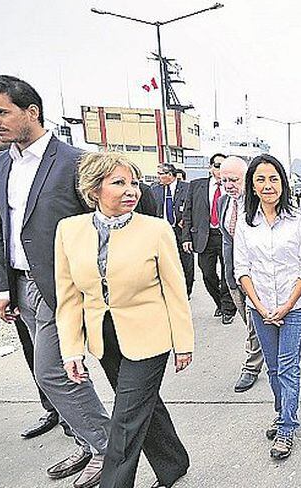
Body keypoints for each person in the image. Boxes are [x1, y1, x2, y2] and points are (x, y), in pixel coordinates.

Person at [0, 75, 109, 487]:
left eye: (0, 112)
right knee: (56, 374)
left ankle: (107, 447)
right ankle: (89, 441)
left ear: (31, 112)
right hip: (20, 286)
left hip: (63, 287)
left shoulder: (76, 162)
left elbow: (106, 225)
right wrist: (3, 286)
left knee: (53, 372)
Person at [55, 152, 193, 488]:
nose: (131, 190)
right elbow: (69, 297)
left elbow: (175, 290)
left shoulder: (156, 230)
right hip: (105, 338)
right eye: (119, 182)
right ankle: (174, 463)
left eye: (134, 183)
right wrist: (71, 350)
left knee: (126, 418)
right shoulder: (69, 231)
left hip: (150, 336)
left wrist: (183, 343)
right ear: (94, 189)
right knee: (144, 405)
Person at [0, 101, 60, 439]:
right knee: (33, 348)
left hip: (51, 276)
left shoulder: (46, 162)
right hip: (13, 278)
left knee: (56, 360)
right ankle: (53, 409)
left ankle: (82, 425)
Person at [233, 153, 301, 460]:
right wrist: (259, 306)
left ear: (283, 183)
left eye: (273, 178)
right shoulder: (246, 223)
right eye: (261, 179)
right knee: (272, 367)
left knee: (288, 365)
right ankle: (284, 412)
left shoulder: (299, 221)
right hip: (260, 308)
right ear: (252, 186)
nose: (268, 185)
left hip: (295, 306)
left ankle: (286, 427)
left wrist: (286, 306)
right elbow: (241, 269)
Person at [217, 156, 264, 393]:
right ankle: (266, 349)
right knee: (251, 323)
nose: (228, 185)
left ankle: (252, 366)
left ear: (247, 178)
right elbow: (227, 240)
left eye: (234, 180)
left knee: (254, 323)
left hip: (257, 276)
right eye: (224, 180)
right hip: (234, 276)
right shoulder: (223, 202)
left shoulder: (260, 203)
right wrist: (229, 275)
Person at [183, 153, 236, 323]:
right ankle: (219, 302)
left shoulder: (233, 186)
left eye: (224, 166)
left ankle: (228, 308)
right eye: (217, 165)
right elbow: (188, 212)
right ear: (211, 167)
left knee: (228, 273)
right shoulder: (196, 185)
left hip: (227, 236)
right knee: (208, 273)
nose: (220, 169)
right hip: (205, 237)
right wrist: (186, 238)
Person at [150, 163, 194, 296]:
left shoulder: (187, 188)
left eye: (160, 174)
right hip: (162, 231)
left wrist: (186, 219)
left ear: (170, 174)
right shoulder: (155, 189)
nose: (158, 177)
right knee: (165, 261)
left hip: (181, 230)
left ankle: (186, 291)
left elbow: (193, 207)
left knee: (185, 262)